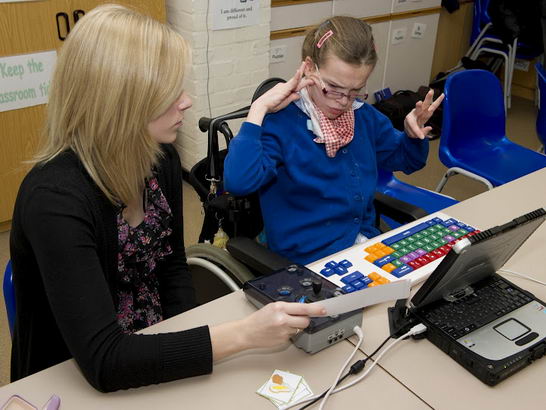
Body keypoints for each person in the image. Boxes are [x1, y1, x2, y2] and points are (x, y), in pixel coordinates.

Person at [9, 4, 324, 392]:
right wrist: (242, 336)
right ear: (120, 101)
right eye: (170, 92)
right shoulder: (55, 199)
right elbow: (104, 361)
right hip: (71, 380)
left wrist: (189, 353)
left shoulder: (160, 162)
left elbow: (173, 268)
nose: (187, 101)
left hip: (153, 350)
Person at [224, 16, 444, 265]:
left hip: (364, 246)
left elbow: (409, 161)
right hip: (307, 259)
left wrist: (413, 136)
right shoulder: (281, 122)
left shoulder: (363, 116)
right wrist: (259, 109)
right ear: (309, 68)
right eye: (334, 88)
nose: (344, 101)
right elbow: (239, 182)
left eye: (356, 90)